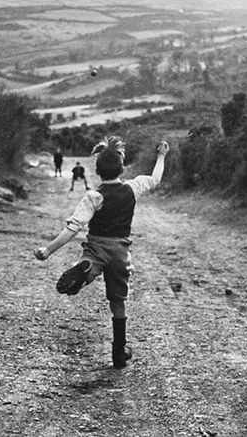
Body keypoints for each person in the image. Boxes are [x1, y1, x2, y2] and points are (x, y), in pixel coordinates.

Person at [34, 137, 170, 368]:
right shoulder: (133, 187)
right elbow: (156, 179)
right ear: (122, 167)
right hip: (120, 250)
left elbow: (72, 228)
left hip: (96, 247)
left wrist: (48, 250)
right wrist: (161, 156)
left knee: (90, 258)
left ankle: (86, 270)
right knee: (118, 301)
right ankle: (119, 353)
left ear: (97, 170)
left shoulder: (93, 196)